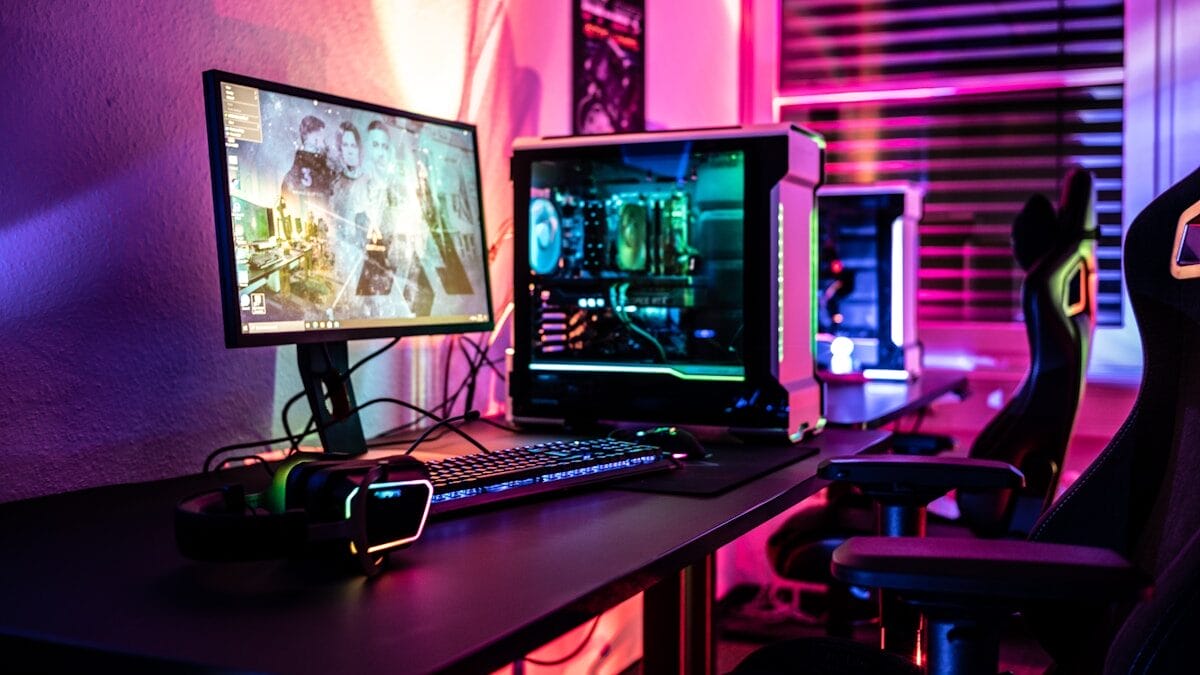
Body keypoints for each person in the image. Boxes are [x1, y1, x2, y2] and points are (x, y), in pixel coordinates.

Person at [280, 115, 334, 201]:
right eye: (323, 139)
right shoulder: (322, 168)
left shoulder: (293, 167)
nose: (325, 143)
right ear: (315, 139)